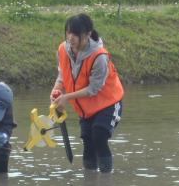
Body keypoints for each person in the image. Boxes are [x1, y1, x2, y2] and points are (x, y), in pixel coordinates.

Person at [50, 14, 124, 173]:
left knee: (99, 136)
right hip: (86, 107)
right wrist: (57, 90)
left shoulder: (99, 56)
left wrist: (66, 97)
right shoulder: (63, 49)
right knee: (87, 140)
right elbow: (62, 75)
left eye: (76, 34)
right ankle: (89, 181)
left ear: (88, 34)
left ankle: (106, 180)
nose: (71, 38)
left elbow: (93, 89)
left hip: (109, 103)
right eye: (68, 33)